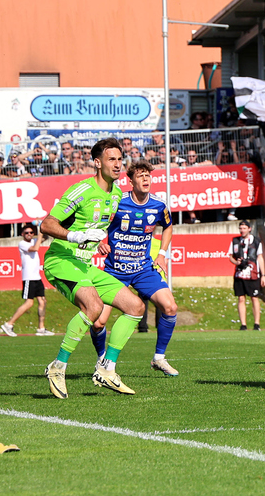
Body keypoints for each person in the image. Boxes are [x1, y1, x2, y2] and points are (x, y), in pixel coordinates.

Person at [41, 138, 146, 399]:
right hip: (62, 260)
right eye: (112, 159)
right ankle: (58, 367)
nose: (118, 164)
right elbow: (47, 224)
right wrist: (74, 236)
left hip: (85, 264)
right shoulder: (81, 190)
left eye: (120, 159)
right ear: (97, 163)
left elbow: (99, 226)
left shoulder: (117, 194)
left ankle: (106, 369)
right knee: (95, 307)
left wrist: (99, 243)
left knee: (136, 307)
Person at [90, 159, 179, 376]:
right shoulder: (117, 201)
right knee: (99, 322)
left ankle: (159, 358)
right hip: (115, 272)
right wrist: (101, 240)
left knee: (170, 307)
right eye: (140, 175)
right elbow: (98, 222)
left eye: (148, 175)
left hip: (143, 270)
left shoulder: (159, 205)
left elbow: (168, 227)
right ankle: (102, 359)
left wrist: (162, 254)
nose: (146, 178)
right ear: (130, 181)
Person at [0, 224, 55, 337]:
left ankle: (41, 328)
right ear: (22, 234)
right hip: (29, 277)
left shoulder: (34, 240)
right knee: (29, 303)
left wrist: (43, 228)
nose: (29, 234)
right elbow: (35, 249)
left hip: (37, 277)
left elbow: (47, 237)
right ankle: (9, 324)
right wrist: (39, 236)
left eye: (31, 232)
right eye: (27, 233)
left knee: (42, 301)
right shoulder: (23, 244)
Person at [229, 220, 265, 330]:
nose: (242, 230)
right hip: (240, 274)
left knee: (254, 298)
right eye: (241, 228)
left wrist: (263, 275)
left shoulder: (256, 241)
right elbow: (230, 256)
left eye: (244, 228)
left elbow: (260, 257)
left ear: (249, 229)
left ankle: (256, 324)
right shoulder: (235, 241)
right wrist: (236, 262)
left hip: (253, 273)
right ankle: (243, 324)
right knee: (241, 298)